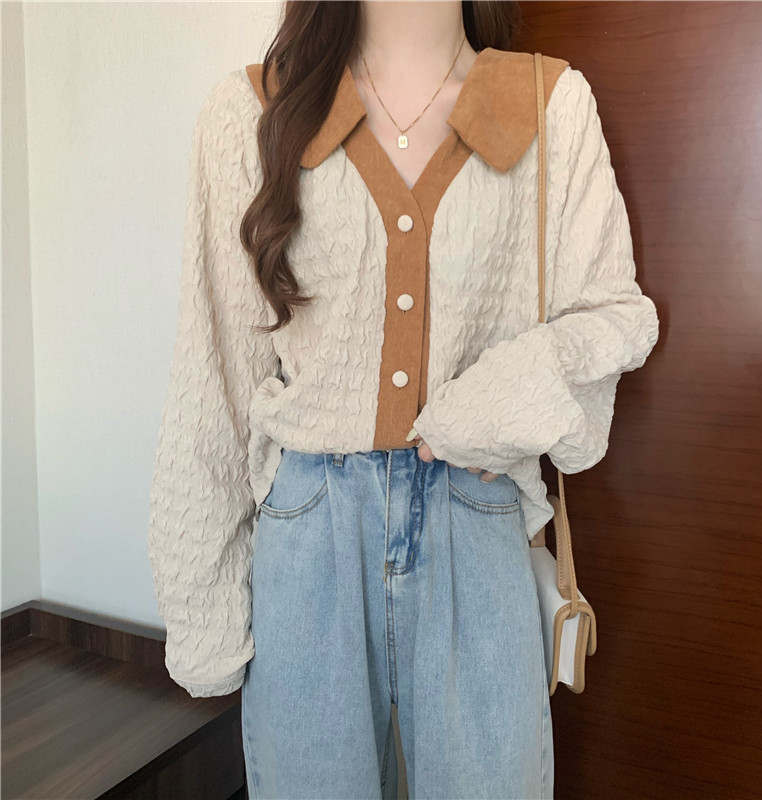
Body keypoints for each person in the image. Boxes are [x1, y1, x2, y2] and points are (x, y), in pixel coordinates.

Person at [146, 1, 660, 798]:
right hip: (308, 542)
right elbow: (213, 383)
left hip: (477, 524)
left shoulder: (547, 106)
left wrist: (491, 407)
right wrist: (202, 616)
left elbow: (616, 317)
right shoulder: (250, 115)